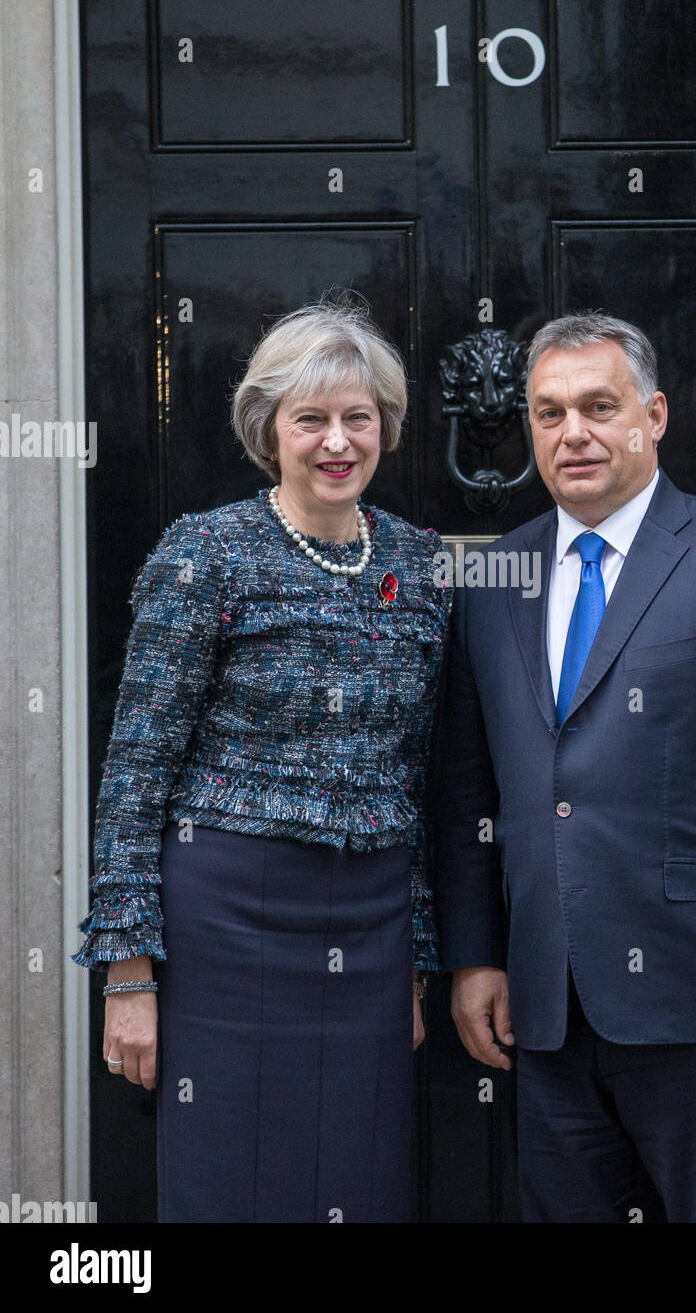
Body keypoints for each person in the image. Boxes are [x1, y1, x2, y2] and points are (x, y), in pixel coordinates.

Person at [432, 311, 696, 1223]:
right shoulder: (495, 582)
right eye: (548, 414)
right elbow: (468, 791)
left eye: (598, 406)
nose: (573, 433)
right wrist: (473, 958)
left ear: (653, 416)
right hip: (546, 1012)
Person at [73, 299, 448, 1223]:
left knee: (360, 1180)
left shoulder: (422, 563)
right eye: (309, 418)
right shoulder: (205, 554)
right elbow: (135, 775)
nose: (336, 441)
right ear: (267, 429)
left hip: (370, 925)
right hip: (226, 922)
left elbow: (419, 776)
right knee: (229, 1177)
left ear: (385, 428)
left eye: (357, 417)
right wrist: (129, 977)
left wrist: (416, 961)